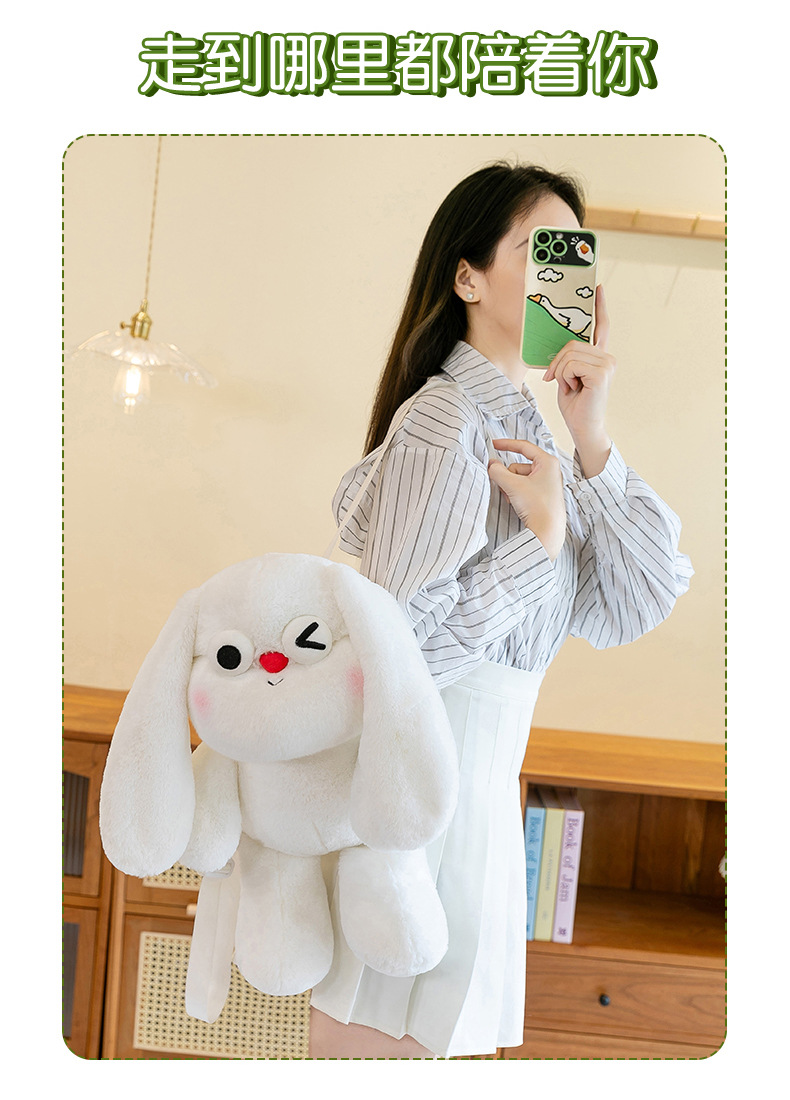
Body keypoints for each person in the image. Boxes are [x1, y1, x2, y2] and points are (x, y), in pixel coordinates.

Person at [308, 162, 693, 1059]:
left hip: (471, 812)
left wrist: (591, 433)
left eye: (572, 252)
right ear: (467, 276)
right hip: (418, 816)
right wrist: (539, 544)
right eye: (536, 249)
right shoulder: (444, 422)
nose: (564, 271)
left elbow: (639, 598)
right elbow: (394, 661)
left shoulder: (530, 429)